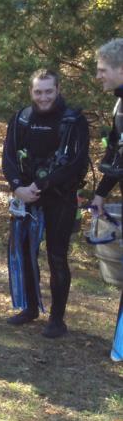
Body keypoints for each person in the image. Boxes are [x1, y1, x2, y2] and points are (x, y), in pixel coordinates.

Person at [1, 69, 89, 338]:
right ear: (31, 92)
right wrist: (18, 187)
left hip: (59, 198)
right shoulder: (22, 119)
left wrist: (39, 186)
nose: (43, 97)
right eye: (38, 92)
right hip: (26, 196)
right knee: (25, 253)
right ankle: (29, 308)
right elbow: (8, 157)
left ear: (58, 89)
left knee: (56, 256)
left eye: (48, 91)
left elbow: (76, 163)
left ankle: (57, 319)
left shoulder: (74, 121)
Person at [90, 38, 123, 359]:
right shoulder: (119, 104)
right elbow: (117, 158)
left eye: (102, 70)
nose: (98, 76)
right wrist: (100, 195)